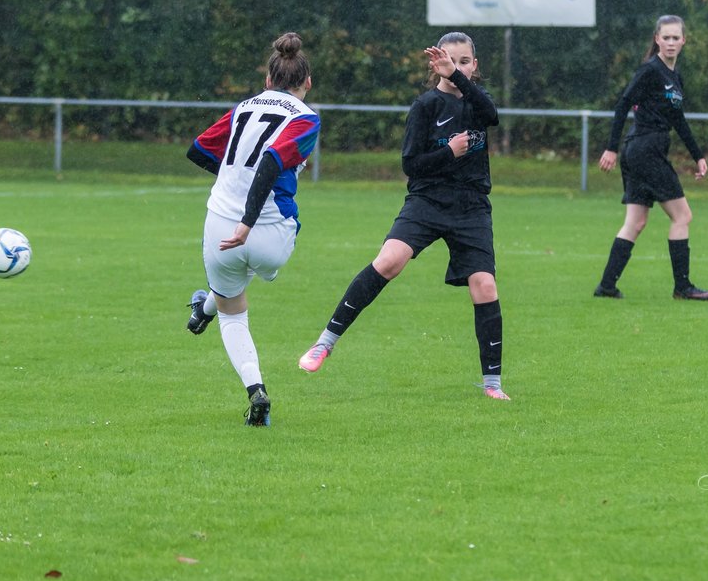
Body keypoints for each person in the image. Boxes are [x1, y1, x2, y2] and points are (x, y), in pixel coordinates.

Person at [297, 32, 510, 401]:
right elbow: (412, 165)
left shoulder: (478, 103)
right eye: (449, 61)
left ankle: (492, 385)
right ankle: (324, 343)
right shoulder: (426, 106)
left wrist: (458, 79)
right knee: (389, 260)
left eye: (464, 62)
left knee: (485, 286)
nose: (456, 67)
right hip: (427, 201)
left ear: (474, 66)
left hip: (471, 206)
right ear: (435, 64)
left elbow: (490, 116)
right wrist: (450, 154)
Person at [184, 32, 321, 426]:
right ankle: (206, 306)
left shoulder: (245, 107)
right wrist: (248, 223)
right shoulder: (305, 116)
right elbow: (270, 163)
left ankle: (255, 391)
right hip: (267, 233)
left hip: (218, 226)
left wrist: (233, 184)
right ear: (306, 83)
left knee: (231, 310)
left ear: (267, 79)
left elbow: (198, 149)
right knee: (260, 268)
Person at [593, 14, 708, 301]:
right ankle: (683, 288)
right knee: (682, 215)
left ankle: (606, 287)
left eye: (677, 37)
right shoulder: (650, 70)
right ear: (657, 39)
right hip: (644, 151)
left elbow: (679, 120)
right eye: (667, 37)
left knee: (635, 222)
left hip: (642, 151)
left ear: (684, 41)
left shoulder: (674, 78)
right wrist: (611, 148)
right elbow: (623, 103)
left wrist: (698, 156)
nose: (672, 42)